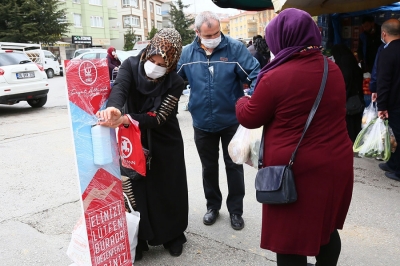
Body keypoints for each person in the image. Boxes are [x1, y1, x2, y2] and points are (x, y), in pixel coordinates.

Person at [235, 8, 353, 265]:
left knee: (289, 239)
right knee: (326, 227)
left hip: (296, 170)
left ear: (283, 39)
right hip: (336, 163)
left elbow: (250, 117)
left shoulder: (275, 77)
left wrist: (241, 101)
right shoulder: (330, 68)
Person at [96, 29, 189, 259]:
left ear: (171, 63)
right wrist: (116, 108)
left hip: (164, 140)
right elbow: (120, 88)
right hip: (132, 138)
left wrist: (126, 119)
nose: (154, 65)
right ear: (148, 50)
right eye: (152, 59)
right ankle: (139, 240)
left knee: (167, 189)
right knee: (136, 189)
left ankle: (172, 235)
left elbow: (158, 117)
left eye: (161, 63)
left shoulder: (175, 81)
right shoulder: (130, 65)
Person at [177, 11, 260, 231]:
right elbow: (173, 82)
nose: (214, 37)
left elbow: (256, 73)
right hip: (202, 122)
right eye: (209, 34)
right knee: (208, 167)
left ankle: (236, 211)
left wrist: (251, 96)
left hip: (231, 121)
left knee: (234, 166)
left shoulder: (234, 48)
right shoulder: (187, 53)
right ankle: (212, 206)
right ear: (197, 33)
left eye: (216, 32)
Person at [376, 18, 400, 182]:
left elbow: (383, 82)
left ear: (384, 34)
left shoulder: (387, 51)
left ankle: (397, 169)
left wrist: (381, 106)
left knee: (396, 135)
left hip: (394, 101)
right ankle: (392, 163)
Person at [331, 44, 364, 143]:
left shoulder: (344, 62)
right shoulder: (351, 60)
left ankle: (351, 142)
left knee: (349, 123)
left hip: (349, 98)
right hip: (357, 97)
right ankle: (356, 142)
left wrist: (343, 96)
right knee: (356, 123)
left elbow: (346, 81)